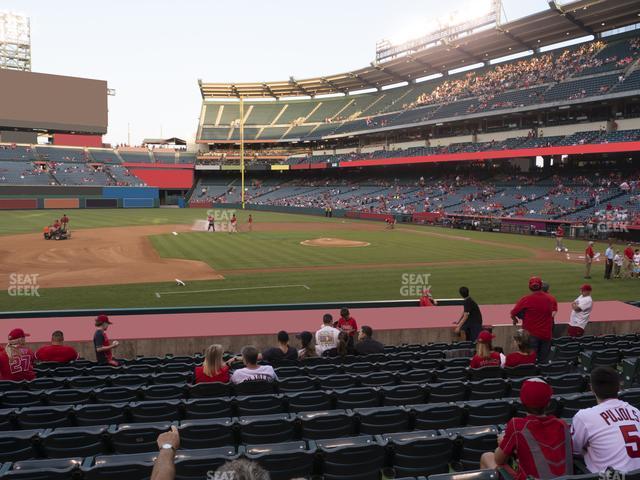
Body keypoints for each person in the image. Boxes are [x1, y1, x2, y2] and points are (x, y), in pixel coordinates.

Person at [480, 378, 572, 479]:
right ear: (549, 403)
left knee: (487, 456)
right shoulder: (563, 425)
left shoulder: (517, 425)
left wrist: (503, 443)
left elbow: (499, 460)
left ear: (522, 402)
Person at [572, 367, 640, 474]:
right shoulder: (635, 411)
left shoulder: (584, 416)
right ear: (619, 387)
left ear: (591, 388)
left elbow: (574, 450)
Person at [511, 276, 554, 363]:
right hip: (546, 334)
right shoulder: (550, 298)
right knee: (543, 361)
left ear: (530, 287)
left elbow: (513, 312)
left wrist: (515, 319)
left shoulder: (526, 299)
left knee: (531, 360)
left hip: (531, 335)